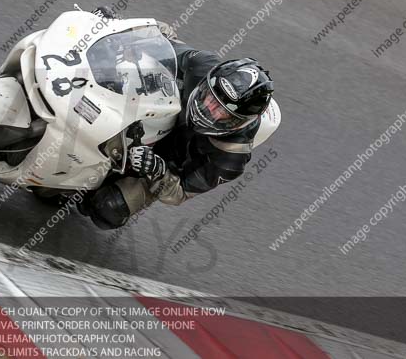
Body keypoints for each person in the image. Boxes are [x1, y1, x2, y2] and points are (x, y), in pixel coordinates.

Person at [80, 35, 276, 230]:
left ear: (239, 123)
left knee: (108, 208)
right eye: (211, 98)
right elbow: (159, 40)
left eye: (223, 113)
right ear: (209, 81)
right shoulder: (202, 64)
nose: (210, 111)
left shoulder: (231, 157)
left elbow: (179, 193)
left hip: (168, 163)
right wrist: (114, 33)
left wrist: (157, 170)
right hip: (155, 110)